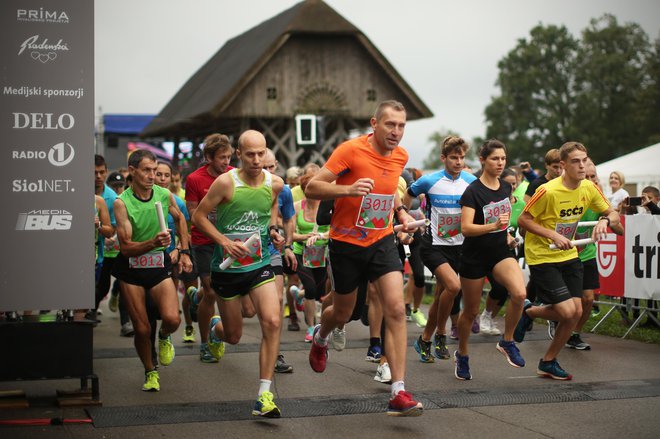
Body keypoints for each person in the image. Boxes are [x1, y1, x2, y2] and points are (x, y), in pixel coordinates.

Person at [305, 100, 423, 417]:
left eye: (401, 126)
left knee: (396, 308)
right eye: (390, 125)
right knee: (341, 312)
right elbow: (312, 188)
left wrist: (400, 212)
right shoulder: (350, 150)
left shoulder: (401, 156)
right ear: (374, 123)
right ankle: (321, 335)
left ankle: (399, 390)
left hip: (382, 239)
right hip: (346, 243)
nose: (396, 132)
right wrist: (348, 190)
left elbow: (389, 192)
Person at [192, 130, 286, 418]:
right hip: (227, 269)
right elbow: (197, 216)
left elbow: (271, 211)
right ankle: (216, 330)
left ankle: (264, 395)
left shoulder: (276, 183)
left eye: (261, 153)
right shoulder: (225, 183)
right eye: (250, 154)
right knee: (234, 336)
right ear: (239, 155)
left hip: (258, 264)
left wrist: (274, 231)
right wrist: (223, 242)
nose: (257, 160)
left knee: (272, 321)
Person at [516, 141, 619, 380]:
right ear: (563, 165)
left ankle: (548, 361)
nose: (582, 165)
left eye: (584, 160)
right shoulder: (547, 190)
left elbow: (611, 212)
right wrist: (552, 234)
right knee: (565, 311)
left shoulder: (589, 188)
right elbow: (523, 220)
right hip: (542, 255)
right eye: (575, 161)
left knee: (576, 312)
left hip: (569, 253)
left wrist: (605, 220)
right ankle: (530, 312)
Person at [112, 149, 192, 392]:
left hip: (158, 265)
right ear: (133, 171)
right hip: (132, 270)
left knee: (172, 319)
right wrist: (152, 243)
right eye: (146, 170)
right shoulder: (122, 202)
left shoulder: (163, 194)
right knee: (142, 328)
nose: (151, 176)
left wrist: (183, 249)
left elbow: (180, 219)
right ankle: (150, 371)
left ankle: (165, 337)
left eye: (154, 171)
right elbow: (125, 248)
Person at [454, 140, 527, 380]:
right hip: (474, 255)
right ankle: (462, 353)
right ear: (483, 160)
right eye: (495, 159)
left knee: (519, 294)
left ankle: (507, 341)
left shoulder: (506, 188)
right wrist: (492, 226)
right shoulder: (472, 191)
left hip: (499, 251)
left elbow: (503, 220)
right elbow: (465, 228)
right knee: (471, 312)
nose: (500, 163)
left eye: (503, 159)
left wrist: (504, 233)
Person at [404, 136, 476, 363]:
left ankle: (425, 339)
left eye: (462, 157)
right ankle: (441, 334)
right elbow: (408, 195)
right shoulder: (429, 181)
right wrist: (403, 220)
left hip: (460, 246)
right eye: (454, 157)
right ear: (443, 158)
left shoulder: (471, 181)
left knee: (440, 296)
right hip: (434, 245)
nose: (458, 162)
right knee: (453, 287)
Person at [184, 133, 234, 363]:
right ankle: (205, 343)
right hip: (204, 241)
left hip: (229, 240)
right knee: (212, 292)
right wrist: (211, 222)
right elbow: (194, 214)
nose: (226, 161)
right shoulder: (195, 179)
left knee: (223, 291)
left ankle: (196, 296)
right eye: (222, 157)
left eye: (229, 156)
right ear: (209, 158)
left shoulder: (234, 175)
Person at [262, 148, 297, 373]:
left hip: (272, 252)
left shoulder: (283, 190)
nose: (266, 172)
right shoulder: (237, 187)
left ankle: (275, 354)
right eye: (263, 168)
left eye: (270, 167)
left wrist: (289, 246)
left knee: (275, 303)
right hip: (244, 255)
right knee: (243, 315)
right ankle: (218, 330)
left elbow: (290, 219)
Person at [155, 161, 193, 342]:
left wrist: (179, 250)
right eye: (158, 174)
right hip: (145, 259)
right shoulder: (136, 200)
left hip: (170, 259)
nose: (162, 179)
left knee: (169, 308)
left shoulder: (177, 203)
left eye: (166, 176)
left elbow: (185, 231)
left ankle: (165, 334)